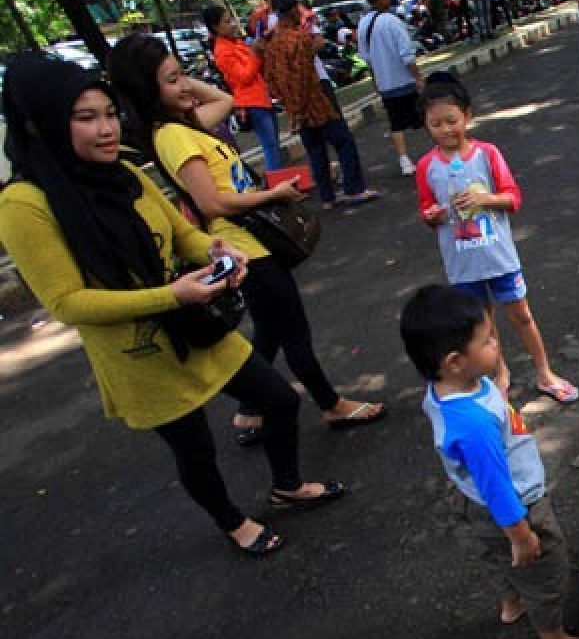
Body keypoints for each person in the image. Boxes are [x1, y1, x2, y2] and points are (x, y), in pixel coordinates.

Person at [0, 54, 346, 556]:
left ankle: (287, 485)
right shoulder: (24, 205)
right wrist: (172, 294)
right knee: (194, 447)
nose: (105, 130)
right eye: (85, 118)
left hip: (193, 322)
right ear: (42, 123)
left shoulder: (124, 172)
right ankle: (233, 523)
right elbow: (68, 303)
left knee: (278, 398)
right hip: (138, 351)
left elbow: (182, 232)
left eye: (108, 114)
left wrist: (216, 250)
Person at [107, 33, 386, 446]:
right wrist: (273, 194)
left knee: (271, 331)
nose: (184, 86)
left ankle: (250, 410)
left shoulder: (183, 125)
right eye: (170, 81)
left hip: (249, 242)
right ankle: (330, 404)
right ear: (147, 92)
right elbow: (213, 202)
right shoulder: (172, 135)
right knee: (293, 331)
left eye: (182, 75)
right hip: (242, 245)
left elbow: (226, 99)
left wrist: (180, 84)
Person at [399, 285, 579, 639]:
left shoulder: (447, 388)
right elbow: (497, 488)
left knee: (498, 558)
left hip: (470, 500)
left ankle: (512, 602)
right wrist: (522, 535)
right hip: (516, 508)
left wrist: (494, 386)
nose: (497, 343)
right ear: (456, 361)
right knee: (544, 573)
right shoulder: (474, 425)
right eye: (488, 340)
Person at [414, 74, 578, 404]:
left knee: (522, 316)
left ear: (467, 116)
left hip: (498, 257)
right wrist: (432, 216)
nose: (446, 130)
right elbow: (426, 209)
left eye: (452, 121)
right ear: (426, 126)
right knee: (482, 327)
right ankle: (499, 375)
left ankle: (544, 373)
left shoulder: (487, 154)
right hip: (462, 264)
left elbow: (513, 198)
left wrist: (484, 200)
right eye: (436, 124)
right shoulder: (426, 166)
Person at [264, 0, 380, 210]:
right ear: (292, 12)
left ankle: (327, 196)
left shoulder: (271, 44)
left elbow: (271, 79)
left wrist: (291, 107)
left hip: (294, 103)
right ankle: (354, 189)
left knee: (315, 149)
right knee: (343, 141)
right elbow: (302, 75)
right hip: (315, 101)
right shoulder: (298, 39)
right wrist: (298, 109)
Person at [246, 0, 343, 115]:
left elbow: (318, 40)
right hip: (290, 87)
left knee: (334, 122)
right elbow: (260, 50)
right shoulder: (259, 19)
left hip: (315, 78)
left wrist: (300, 62)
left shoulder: (300, 12)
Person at [203, 6, 282, 171]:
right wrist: (254, 53)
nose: (232, 24)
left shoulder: (236, 43)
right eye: (227, 21)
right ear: (215, 27)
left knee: (274, 144)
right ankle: (277, 185)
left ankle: (279, 181)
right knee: (270, 146)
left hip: (262, 98)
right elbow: (244, 76)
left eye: (231, 20)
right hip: (252, 102)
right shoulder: (222, 51)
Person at [359, 0, 424, 176]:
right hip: (404, 81)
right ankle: (441, 151)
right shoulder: (392, 22)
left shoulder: (363, 24)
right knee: (424, 116)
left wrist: (375, 80)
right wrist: (418, 77)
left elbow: (367, 57)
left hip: (386, 84)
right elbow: (407, 55)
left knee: (396, 123)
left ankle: (404, 161)